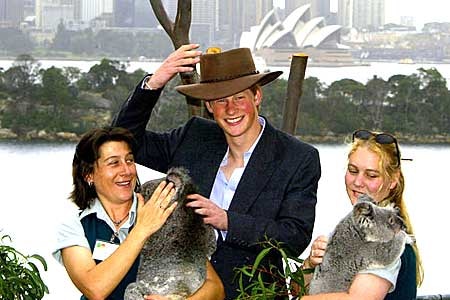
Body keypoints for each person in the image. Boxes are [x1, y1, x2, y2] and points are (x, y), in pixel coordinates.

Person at [112, 44, 321, 299]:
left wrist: (227, 221)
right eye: (220, 100)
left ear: (257, 97)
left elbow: (294, 237)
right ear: (209, 106)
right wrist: (154, 83)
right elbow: (121, 140)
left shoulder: (297, 158)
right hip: (177, 292)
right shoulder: (195, 136)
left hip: (251, 295)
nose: (230, 109)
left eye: (239, 98)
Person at [53, 126, 224, 300]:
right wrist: (142, 229)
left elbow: (215, 288)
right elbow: (95, 289)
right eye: (114, 163)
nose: (126, 171)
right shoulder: (75, 227)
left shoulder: (163, 211)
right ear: (89, 174)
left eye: (129, 160)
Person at [300, 129, 424, 300]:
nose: (358, 182)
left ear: (393, 180)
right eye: (352, 170)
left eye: (371, 175)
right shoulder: (353, 227)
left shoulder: (386, 236)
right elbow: (298, 289)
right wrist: (311, 263)